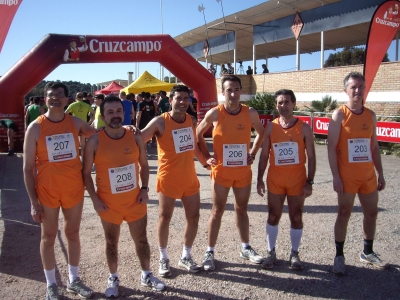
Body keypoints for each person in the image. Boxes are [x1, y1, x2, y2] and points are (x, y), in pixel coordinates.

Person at [82, 96, 165, 297]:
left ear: (125, 112)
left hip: (134, 201)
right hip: (108, 204)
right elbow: (85, 173)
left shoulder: (135, 136)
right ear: (102, 116)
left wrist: (144, 189)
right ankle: (113, 277)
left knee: (142, 240)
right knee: (111, 242)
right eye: (110, 112)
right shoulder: (94, 141)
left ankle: (146, 274)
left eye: (118, 111)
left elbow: (145, 165)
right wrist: (95, 200)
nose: (115, 115)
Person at [23, 82, 96, 300]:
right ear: (44, 99)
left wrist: (126, 130)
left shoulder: (74, 122)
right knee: (48, 236)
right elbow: (27, 168)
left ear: (67, 100)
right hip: (47, 191)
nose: (55, 98)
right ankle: (51, 284)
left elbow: (99, 135)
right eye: (51, 95)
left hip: (73, 188)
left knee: (72, 234)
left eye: (60, 95)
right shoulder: (35, 127)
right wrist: (33, 201)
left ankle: (74, 280)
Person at [196, 75, 265, 271]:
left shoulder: (249, 113)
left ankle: (245, 247)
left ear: (241, 91)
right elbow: (198, 132)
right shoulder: (215, 113)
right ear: (223, 92)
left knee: (241, 209)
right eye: (229, 90)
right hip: (221, 172)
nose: (233, 94)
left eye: (236, 90)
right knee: (217, 211)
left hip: (242, 171)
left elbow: (261, 132)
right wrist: (207, 156)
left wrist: (252, 153)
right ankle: (209, 252)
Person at [141, 85, 209, 278]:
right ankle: (163, 257)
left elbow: (194, 146)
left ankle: (185, 255)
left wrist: (205, 163)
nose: (182, 102)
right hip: (168, 178)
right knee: (165, 218)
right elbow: (140, 139)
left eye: (186, 98)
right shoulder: (160, 122)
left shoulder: (191, 120)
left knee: (194, 218)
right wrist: (129, 130)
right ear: (169, 100)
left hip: (189, 178)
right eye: (178, 98)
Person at [327, 72, 387, 275]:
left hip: (368, 176)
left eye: (361, 86)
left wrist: (380, 173)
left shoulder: (370, 115)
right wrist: (335, 176)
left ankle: (367, 252)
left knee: (371, 213)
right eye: (353, 87)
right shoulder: (340, 115)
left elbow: (375, 147)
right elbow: (331, 147)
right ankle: (339, 256)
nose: (358, 90)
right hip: (347, 177)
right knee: (344, 214)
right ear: (346, 90)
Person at [256, 89, 316, 270]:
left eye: (287, 102)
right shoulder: (271, 127)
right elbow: (264, 155)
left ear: (294, 104)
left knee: (296, 217)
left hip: (297, 180)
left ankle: (295, 254)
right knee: (273, 216)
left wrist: (309, 181)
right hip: (276, 180)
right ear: (276, 105)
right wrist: (259, 179)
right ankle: (271, 252)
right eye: (280, 103)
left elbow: (312, 157)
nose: (283, 106)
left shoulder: (304, 127)